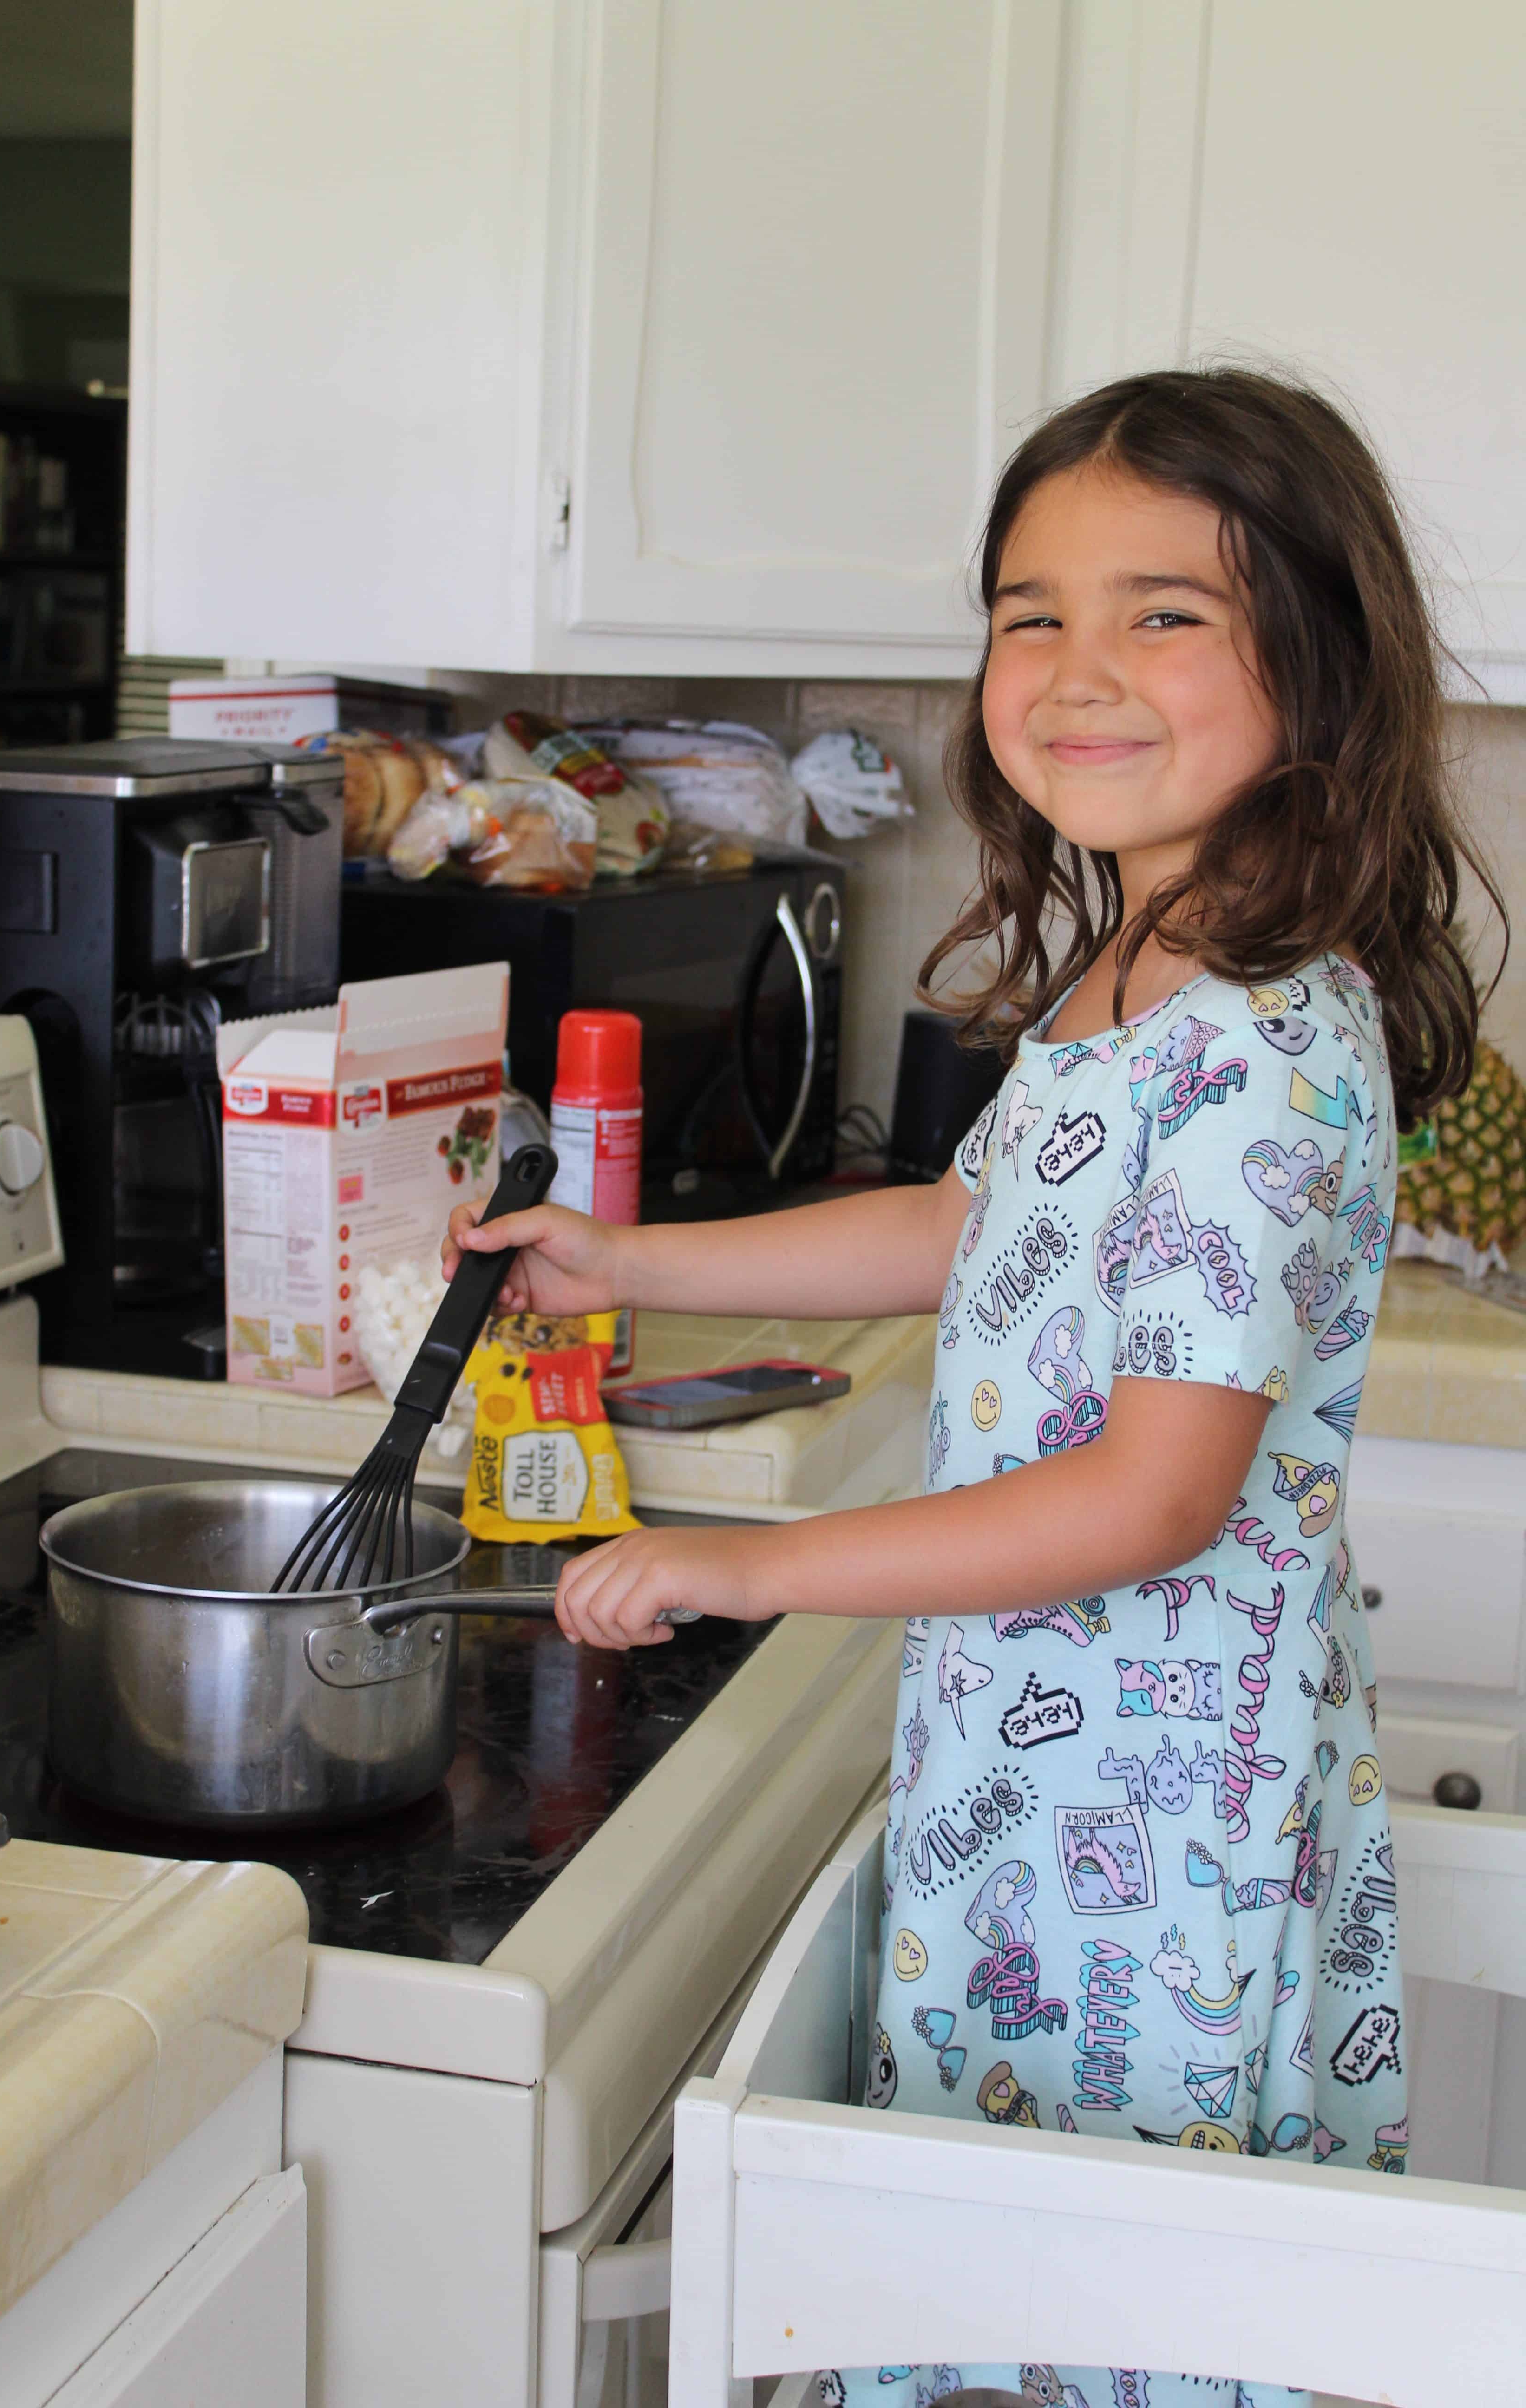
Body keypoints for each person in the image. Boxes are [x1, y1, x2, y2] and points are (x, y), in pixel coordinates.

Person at [445, 368, 1505, 2408]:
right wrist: (628, 1258)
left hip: (1161, 1841)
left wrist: (744, 1566)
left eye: (1163, 612)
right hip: (1052, 1793)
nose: (1077, 669)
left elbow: (1148, 1502)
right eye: (1031, 611)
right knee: (1014, 2299)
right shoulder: (1142, 972)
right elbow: (971, 1224)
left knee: (1119, 2325)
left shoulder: (1269, 1045)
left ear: (1324, 662)